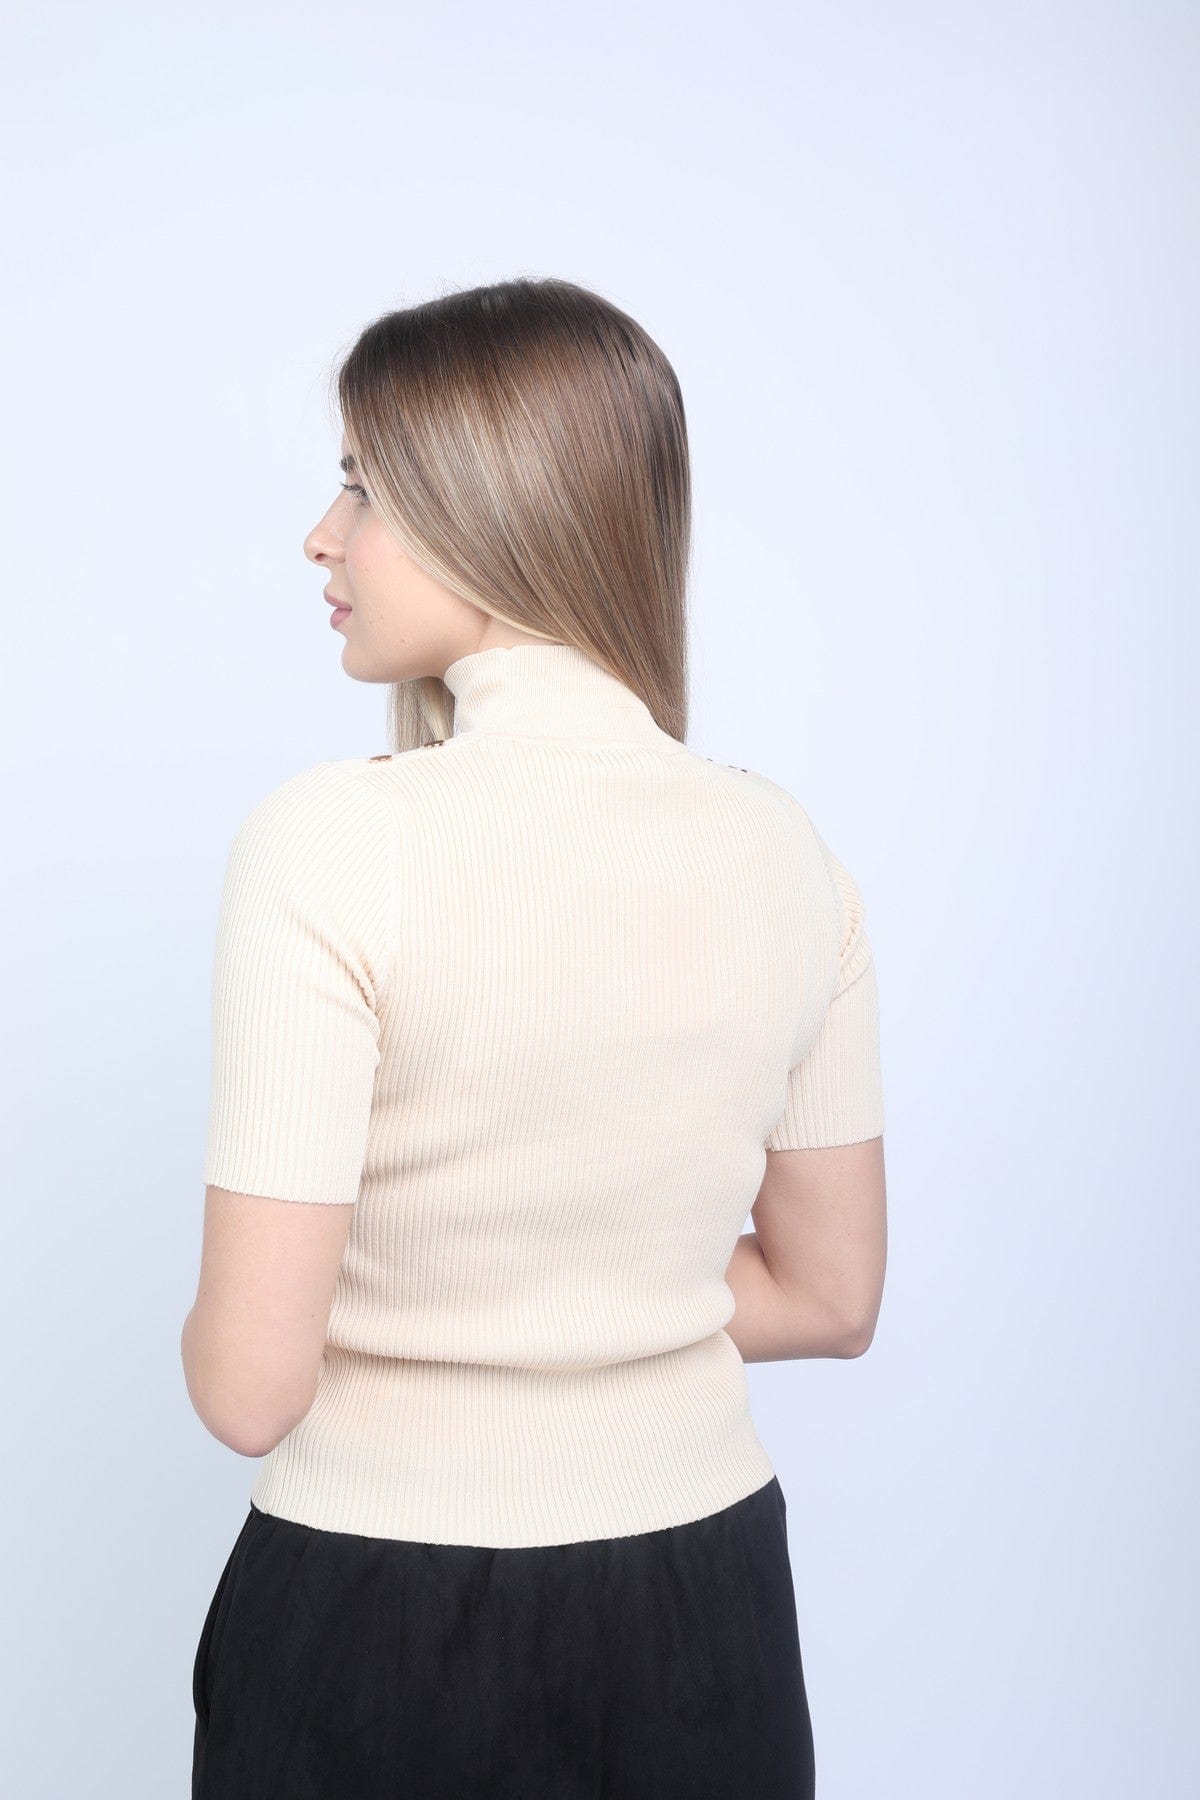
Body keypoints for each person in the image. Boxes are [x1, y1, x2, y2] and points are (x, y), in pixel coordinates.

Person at [182, 276, 888, 1800]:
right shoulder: (789, 852)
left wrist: (434, 1305)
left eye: (365, 487)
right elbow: (831, 1295)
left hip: (379, 1613)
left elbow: (247, 1387)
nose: (322, 536)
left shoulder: (332, 841)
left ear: (489, 507)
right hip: (707, 1610)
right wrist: (592, 1296)